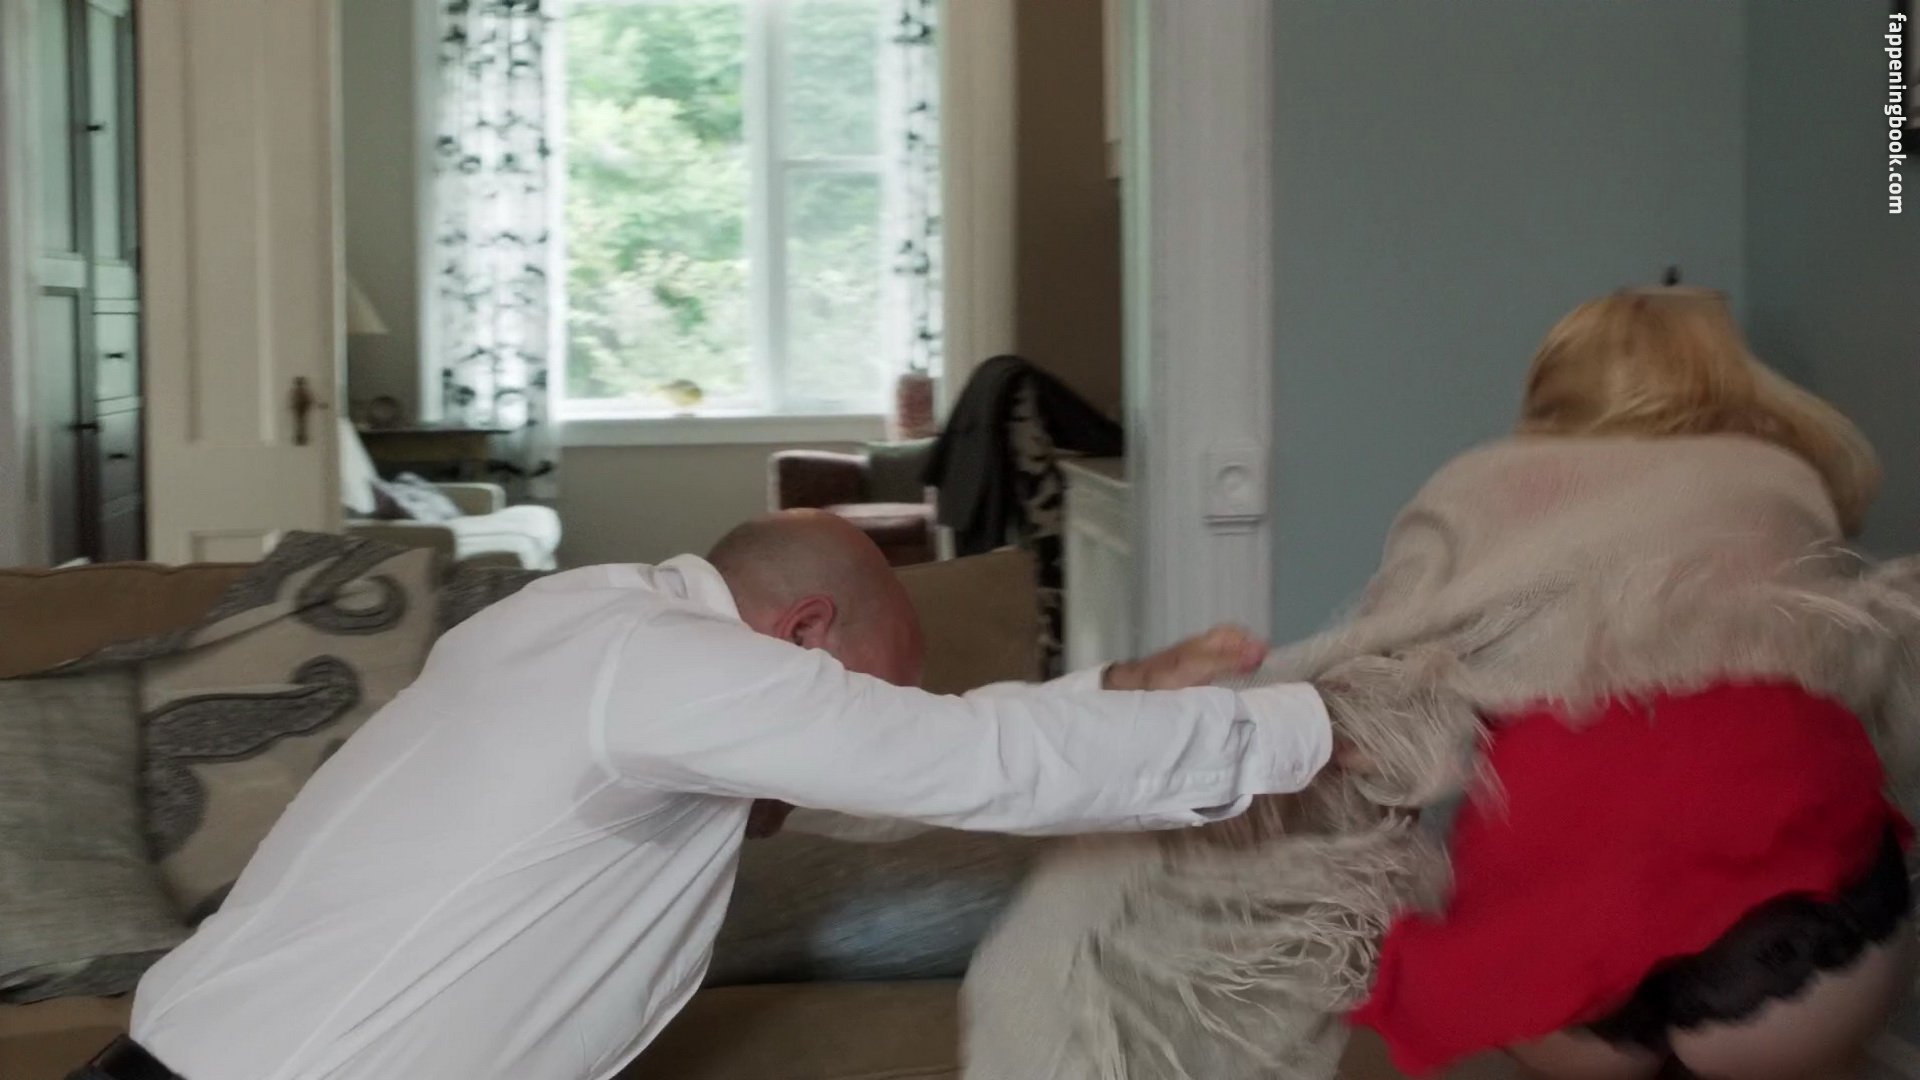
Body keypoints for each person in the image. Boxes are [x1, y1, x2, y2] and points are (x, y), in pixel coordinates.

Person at [961, 287, 1919, 1080]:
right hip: (1787, 947)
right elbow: (1857, 680)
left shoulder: (1481, 490)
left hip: (1554, 963)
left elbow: (1388, 689)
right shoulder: (1781, 486)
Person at [74, 510, 1338, 1080]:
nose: (864, 725)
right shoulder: (660, 666)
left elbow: (893, 779)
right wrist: (1323, 728)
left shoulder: (587, 629)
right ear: (802, 632)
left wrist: (1122, 688)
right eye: (867, 692)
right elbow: (961, 764)